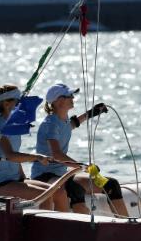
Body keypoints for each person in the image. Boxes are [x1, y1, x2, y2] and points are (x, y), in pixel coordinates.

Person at [31, 83, 129, 217]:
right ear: (59, 101)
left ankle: (124, 224)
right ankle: (82, 231)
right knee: (75, 189)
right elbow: (57, 155)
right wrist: (82, 166)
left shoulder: (62, 120)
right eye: (69, 96)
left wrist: (91, 113)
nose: (73, 98)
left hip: (61, 175)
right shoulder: (50, 124)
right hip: (44, 176)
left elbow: (71, 125)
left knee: (111, 185)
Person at [0, 84, 58, 209]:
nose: (21, 105)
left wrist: (23, 178)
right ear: (6, 104)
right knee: (45, 195)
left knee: (55, 190)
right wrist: (37, 157)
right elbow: (10, 155)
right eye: (18, 102)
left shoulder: (14, 126)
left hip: (15, 179)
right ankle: (46, 228)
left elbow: (16, 156)